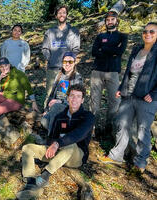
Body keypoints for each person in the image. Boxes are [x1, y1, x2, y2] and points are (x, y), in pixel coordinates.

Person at [99, 22, 157, 174]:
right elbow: (128, 73)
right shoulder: (137, 49)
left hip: (147, 98)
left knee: (142, 130)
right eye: (145, 31)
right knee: (121, 123)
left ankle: (140, 162)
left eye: (152, 31)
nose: (148, 34)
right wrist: (121, 88)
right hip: (129, 95)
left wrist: (154, 94)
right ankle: (116, 156)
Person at [20, 84, 94, 191]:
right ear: (67, 98)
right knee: (27, 148)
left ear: (82, 100)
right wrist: (52, 145)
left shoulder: (88, 117)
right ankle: (30, 179)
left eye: (78, 96)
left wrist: (57, 144)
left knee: (70, 145)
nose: (74, 99)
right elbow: (52, 137)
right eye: (72, 95)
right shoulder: (60, 117)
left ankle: (45, 176)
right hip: (58, 152)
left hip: (76, 156)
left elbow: (79, 134)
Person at [90, 11, 128, 134]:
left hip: (113, 72)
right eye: (107, 20)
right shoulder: (100, 36)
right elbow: (94, 51)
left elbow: (120, 51)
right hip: (97, 71)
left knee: (115, 101)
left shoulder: (123, 36)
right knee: (94, 100)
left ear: (117, 21)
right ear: (105, 22)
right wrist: (112, 50)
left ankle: (109, 127)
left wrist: (104, 48)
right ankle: (92, 128)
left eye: (112, 19)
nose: (110, 21)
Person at [42, 5, 80, 105]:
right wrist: (51, 59)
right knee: (49, 94)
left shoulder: (73, 31)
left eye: (64, 12)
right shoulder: (49, 32)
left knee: (65, 94)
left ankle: (65, 116)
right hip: (53, 68)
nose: (61, 14)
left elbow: (76, 49)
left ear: (67, 15)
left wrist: (69, 63)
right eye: (59, 13)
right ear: (56, 16)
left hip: (67, 70)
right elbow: (45, 48)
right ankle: (47, 116)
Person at [41, 52, 83, 133]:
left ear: (74, 63)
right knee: (44, 121)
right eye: (65, 62)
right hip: (54, 108)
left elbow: (76, 100)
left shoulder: (77, 78)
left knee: (56, 107)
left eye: (70, 62)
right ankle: (61, 131)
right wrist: (46, 109)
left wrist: (60, 101)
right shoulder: (59, 75)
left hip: (69, 109)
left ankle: (52, 138)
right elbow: (52, 94)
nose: (67, 64)